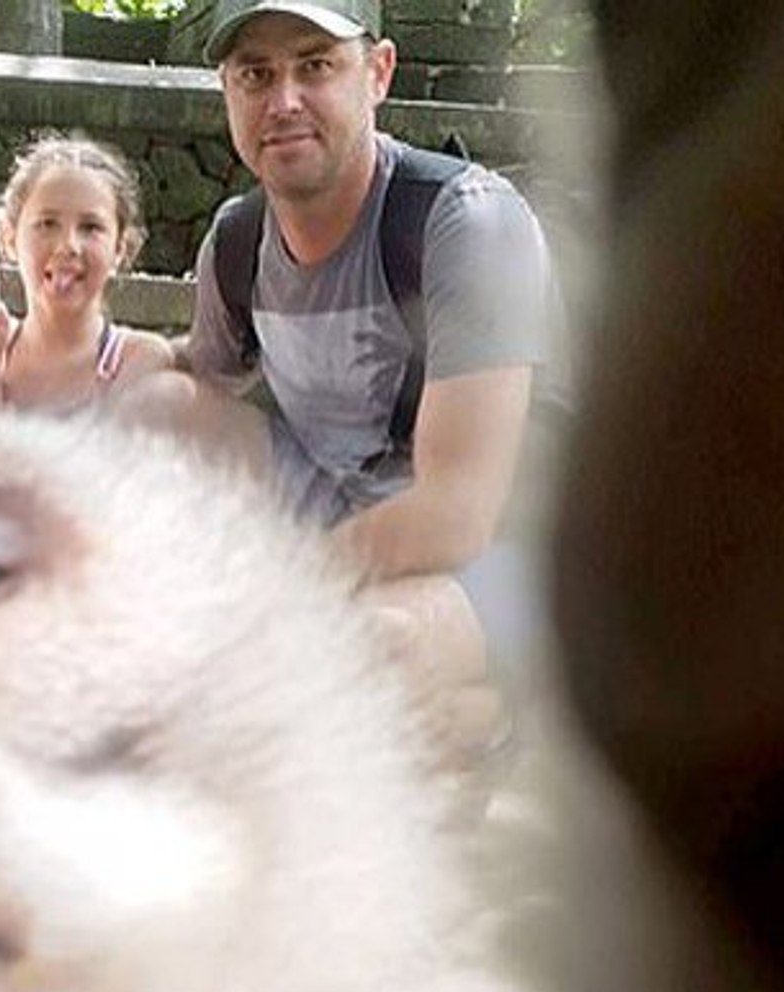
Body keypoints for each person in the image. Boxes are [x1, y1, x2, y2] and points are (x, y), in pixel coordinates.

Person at [180, 0, 555, 772]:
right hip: (343, 512)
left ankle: (503, 711)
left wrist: (271, 595)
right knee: (150, 409)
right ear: (227, 92)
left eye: (314, 65)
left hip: (500, 546)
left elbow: (456, 516)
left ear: (376, 72)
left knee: (365, 655)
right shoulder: (237, 240)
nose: (282, 101)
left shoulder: (465, 223)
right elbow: (193, 389)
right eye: (255, 74)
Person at [0, 134, 173, 412]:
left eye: (90, 227)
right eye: (47, 224)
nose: (68, 245)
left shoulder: (140, 360)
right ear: (9, 239)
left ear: (120, 248)